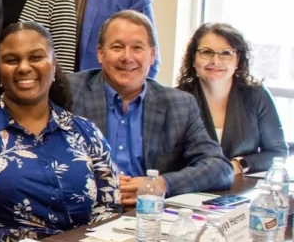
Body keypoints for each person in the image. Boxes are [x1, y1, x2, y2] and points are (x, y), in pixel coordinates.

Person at [0, 23, 121, 242]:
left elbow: (109, 210)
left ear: (53, 66)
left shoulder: (87, 133)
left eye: (36, 57)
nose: (24, 67)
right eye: (12, 60)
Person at [69, 11, 233, 204]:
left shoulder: (179, 104)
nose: (126, 57)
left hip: (147, 215)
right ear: (100, 53)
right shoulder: (70, 92)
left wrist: (160, 184)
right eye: (117, 47)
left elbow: (219, 167)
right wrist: (92, 181)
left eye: (137, 48)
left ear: (152, 55)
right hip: (83, 211)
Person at [177, 23, 288, 174]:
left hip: (242, 190)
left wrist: (238, 166)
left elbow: (277, 152)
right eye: (206, 52)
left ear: (238, 60)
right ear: (193, 58)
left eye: (226, 53)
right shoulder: (177, 98)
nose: (216, 60)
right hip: (188, 190)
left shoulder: (256, 95)